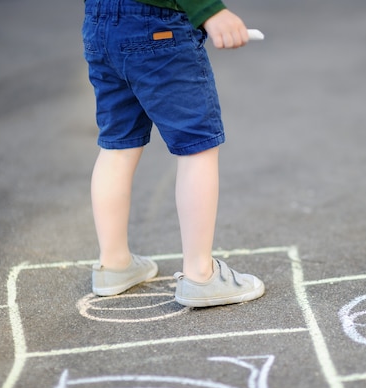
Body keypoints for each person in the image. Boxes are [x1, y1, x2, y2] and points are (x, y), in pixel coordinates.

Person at [82, 0, 265, 307]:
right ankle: (201, 276)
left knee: (117, 144)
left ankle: (113, 264)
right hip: (157, 25)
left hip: (99, 22)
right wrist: (209, 10)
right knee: (197, 145)